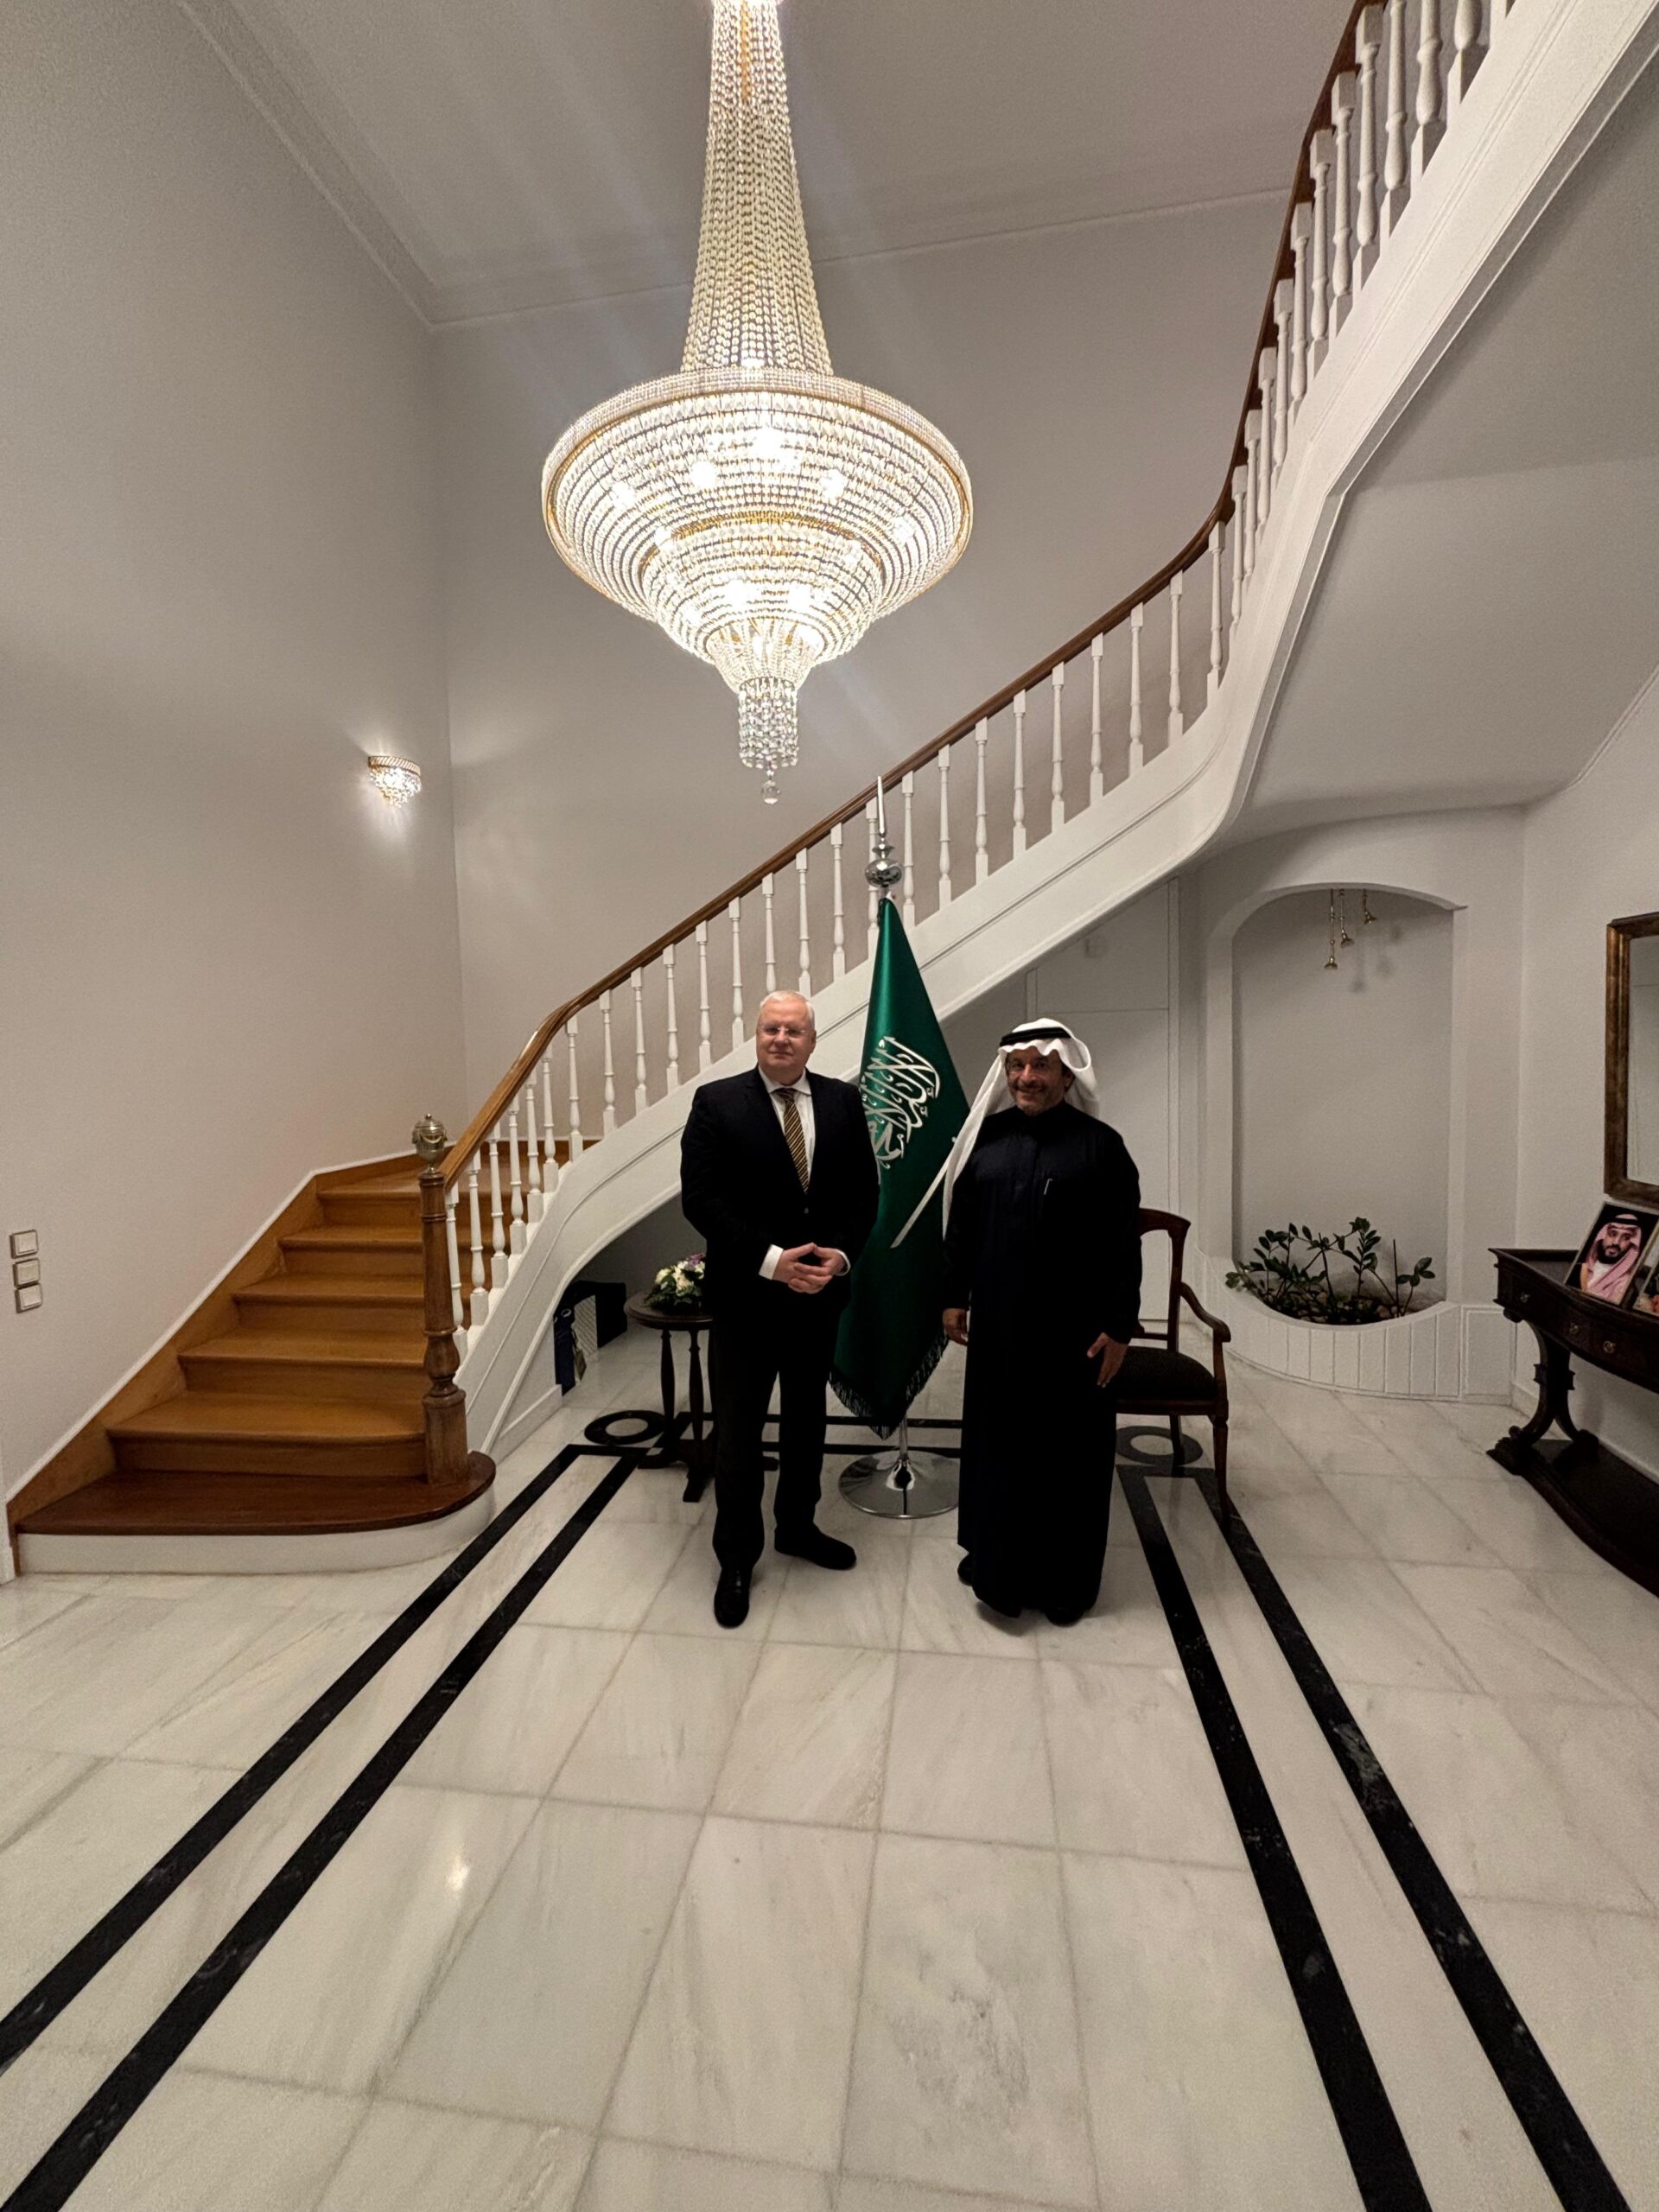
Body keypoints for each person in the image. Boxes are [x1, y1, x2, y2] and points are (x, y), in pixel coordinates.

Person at [680, 991, 880, 1627]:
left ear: (813, 1041)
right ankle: (737, 1557)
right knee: (739, 1433)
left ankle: (798, 1527)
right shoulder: (717, 1102)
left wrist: (838, 1258)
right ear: (757, 1035)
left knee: (805, 1422)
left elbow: (863, 1193)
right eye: (772, 1028)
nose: (782, 1039)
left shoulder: (843, 1101)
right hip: (747, 1298)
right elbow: (701, 1199)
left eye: (794, 1030)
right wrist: (771, 1260)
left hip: (817, 1297)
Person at [939, 1019, 1141, 1624]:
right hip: (1000, 1333)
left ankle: (1066, 1584)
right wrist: (952, 1295)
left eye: (1041, 1066)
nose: (1027, 1077)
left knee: (1067, 1461)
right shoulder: (984, 1139)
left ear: (1066, 1074)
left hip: (1074, 1339)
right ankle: (996, 1569)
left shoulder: (1101, 1147)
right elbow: (962, 1229)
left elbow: (1123, 1246)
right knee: (999, 1450)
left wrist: (1120, 1327)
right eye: (1017, 1066)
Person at [1576, 1210, 1648, 1303]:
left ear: (1632, 1245)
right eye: (1612, 1234)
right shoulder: (1581, 1267)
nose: (1616, 1242)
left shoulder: (1623, 1284)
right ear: (1602, 1236)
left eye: (1626, 1238)